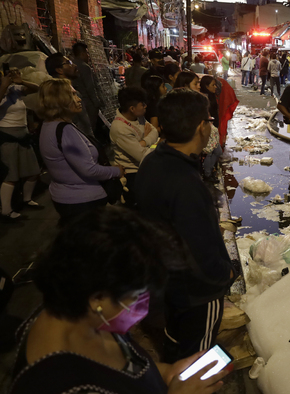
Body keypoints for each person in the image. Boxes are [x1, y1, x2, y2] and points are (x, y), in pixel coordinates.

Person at [10, 206, 229, 394]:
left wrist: (167, 372)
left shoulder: (83, 312)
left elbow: (132, 368)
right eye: (135, 297)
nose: (142, 309)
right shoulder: (60, 384)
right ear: (98, 297)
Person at [136, 89, 236, 362]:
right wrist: (225, 275)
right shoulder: (187, 184)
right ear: (201, 127)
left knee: (175, 339)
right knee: (196, 356)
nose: (211, 126)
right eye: (210, 120)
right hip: (196, 293)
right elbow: (200, 250)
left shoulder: (153, 160)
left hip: (168, 281)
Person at [38, 79, 122, 225]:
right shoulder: (65, 130)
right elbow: (89, 169)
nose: (78, 99)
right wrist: (116, 171)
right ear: (59, 100)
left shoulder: (49, 125)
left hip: (66, 197)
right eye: (72, 95)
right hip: (82, 201)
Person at [0, 68, 40, 221]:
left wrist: (21, 81)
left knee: (33, 170)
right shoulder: (4, 90)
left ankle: (27, 199)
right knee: (11, 175)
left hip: (23, 134)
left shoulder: (14, 89)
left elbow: (37, 88)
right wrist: (3, 86)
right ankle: (6, 210)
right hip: (6, 136)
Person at [110, 87, 159, 207]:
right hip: (132, 174)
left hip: (142, 169)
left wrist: (143, 142)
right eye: (142, 104)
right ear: (132, 108)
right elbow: (141, 156)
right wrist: (153, 142)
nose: (145, 106)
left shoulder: (138, 117)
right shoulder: (120, 128)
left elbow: (155, 131)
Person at [45, 53, 93, 136]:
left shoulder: (53, 93)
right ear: (59, 70)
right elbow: (83, 123)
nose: (74, 65)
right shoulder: (66, 95)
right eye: (69, 63)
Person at [71, 42, 102, 134]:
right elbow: (90, 87)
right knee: (90, 128)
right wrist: (97, 103)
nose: (88, 56)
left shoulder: (71, 65)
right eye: (87, 53)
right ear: (82, 54)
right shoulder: (85, 67)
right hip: (88, 103)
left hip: (77, 102)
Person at [199, 76, 223, 178]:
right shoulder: (204, 98)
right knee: (211, 152)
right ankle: (208, 174)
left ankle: (209, 171)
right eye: (213, 85)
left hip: (213, 129)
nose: (215, 87)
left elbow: (220, 89)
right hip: (208, 129)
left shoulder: (212, 95)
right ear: (206, 86)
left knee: (215, 151)